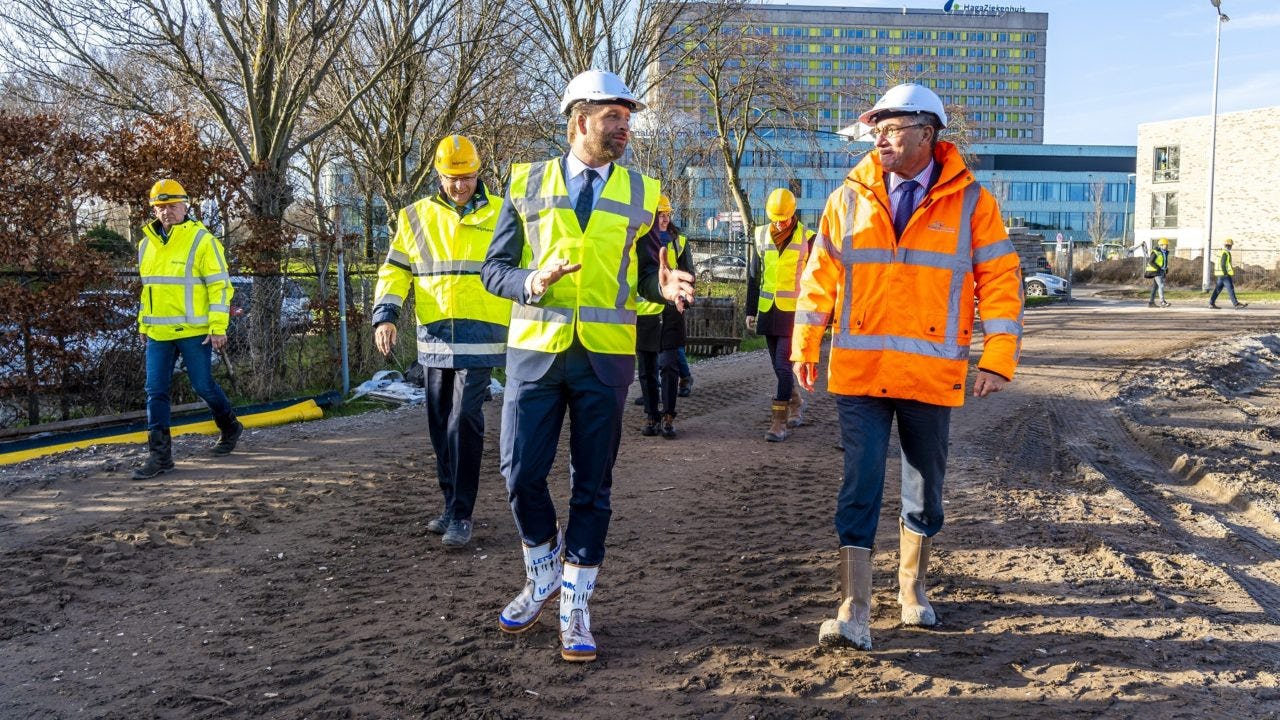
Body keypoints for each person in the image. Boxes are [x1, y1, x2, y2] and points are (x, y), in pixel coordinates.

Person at [792, 84, 1023, 651]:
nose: (881, 139)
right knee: (860, 481)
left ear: (928, 133)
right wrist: (805, 344)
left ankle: (912, 587)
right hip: (861, 372)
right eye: (877, 129)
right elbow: (819, 277)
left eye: (893, 128)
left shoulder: (972, 203)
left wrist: (998, 357)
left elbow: (1000, 281)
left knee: (925, 488)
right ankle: (853, 608)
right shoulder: (847, 198)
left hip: (930, 374)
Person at [482, 69, 695, 662]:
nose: (625, 127)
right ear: (580, 120)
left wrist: (664, 285)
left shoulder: (643, 192)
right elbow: (494, 270)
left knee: (592, 486)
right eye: (613, 117)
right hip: (536, 354)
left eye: (627, 118)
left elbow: (648, 274)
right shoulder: (525, 182)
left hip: (605, 358)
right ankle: (542, 572)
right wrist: (532, 280)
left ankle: (575, 605)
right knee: (519, 473)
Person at [372, 135, 510, 548]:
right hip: (434, 338)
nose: (460, 186)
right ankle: (450, 504)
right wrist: (386, 316)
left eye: (467, 177)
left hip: (482, 336)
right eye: (452, 178)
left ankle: (463, 514)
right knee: (439, 424)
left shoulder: (503, 212)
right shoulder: (414, 217)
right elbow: (395, 271)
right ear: (439, 175)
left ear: (478, 173)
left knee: (464, 420)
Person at [132, 179, 242, 480]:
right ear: (154, 209)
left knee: (203, 386)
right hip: (159, 333)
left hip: (195, 331)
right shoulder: (146, 244)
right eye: (160, 207)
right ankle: (160, 457)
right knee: (155, 391)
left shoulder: (203, 240)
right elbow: (148, 289)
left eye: (171, 206)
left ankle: (230, 426)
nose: (166, 211)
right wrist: (143, 322)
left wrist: (218, 326)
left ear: (185, 206)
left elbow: (220, 287)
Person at [746, 187, 815, 442]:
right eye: (775, 218)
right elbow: (754, 276)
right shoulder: (761, 234)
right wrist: (750, 310)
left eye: (783, 219)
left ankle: (779, 422)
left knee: (784, 367)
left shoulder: (808, 238)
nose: (779, 223)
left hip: (794, 314)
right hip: (768, 310)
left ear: (793, 213)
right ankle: (796, 403)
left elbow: (816, 281)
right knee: (778, 366)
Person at [1209, 238, 1248, 309]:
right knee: (1230, 288)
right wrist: (1225, 273)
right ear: (1229, 246)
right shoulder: (1226, 253)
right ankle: (1236, 304)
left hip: (1219, 274)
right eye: (1231, 246)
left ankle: (1211, 303)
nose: (1231, 247)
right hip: (1224, 275)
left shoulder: (1220, 252)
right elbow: (1223, 264)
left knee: (1217, 289)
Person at [1145, 237, 1171, 308]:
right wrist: (1158, 268)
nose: (1167, 246)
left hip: (1161, 271)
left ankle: (1151, 303)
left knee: (1155, 287)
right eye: (1166, 245)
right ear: (1161, 245)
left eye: (1167, 245)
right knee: (1161, 285)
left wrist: (1166, 268)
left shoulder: (1165, 252)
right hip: (1156, 271)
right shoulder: (1155, 252)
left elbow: (1163, 262)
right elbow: (1150, 262)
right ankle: (1162, 302)